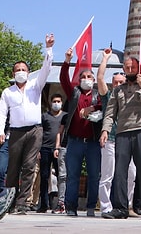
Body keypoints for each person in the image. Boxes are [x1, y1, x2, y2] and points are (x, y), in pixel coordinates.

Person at [0, 34, 54, 214]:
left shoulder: (35, 85)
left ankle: (22, 204)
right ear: (14, 74)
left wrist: (49, 48)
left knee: (29, 167)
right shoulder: (8, 91)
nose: (21, 71)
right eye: (17, 69)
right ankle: (10, 202)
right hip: (16, 132)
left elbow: (46, 68)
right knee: (13, 167)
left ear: (28, 72)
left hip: (35, 130)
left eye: (24, 69)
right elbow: (1, 112)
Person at [100, 55, 141, 220]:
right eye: (127, 68)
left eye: (133, 67)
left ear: (138, 68)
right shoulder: (118, 90)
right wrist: (105, 130)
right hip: (123, 133)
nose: (130, 70)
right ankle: (120, 208)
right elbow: (110, 112)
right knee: (120, 171)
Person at [59, 47, 103, 217]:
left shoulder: (98, 95)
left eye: (89, 77)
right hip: (75, 141)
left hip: (92, 142)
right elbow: (63, 79)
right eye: (83, 77)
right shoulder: (74, 93)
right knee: (73, 176)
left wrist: (94, 106)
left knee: (93, 176)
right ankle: (71, 207)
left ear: (93, 79)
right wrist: (67, 61)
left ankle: (91, 206)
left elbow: (106, 105)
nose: (86, 79)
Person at [95, 50, 135, 217]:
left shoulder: (130, 96)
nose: (118, 85)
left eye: (121, 82)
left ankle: (128, 206)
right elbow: (99, 78)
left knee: (131, 173)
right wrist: (105, 59)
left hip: (127, 138)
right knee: (107, 175)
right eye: (115, 82)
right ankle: (106, 206)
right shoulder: (109, 96)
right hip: (110, 139)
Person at [38, 93, 65, 212]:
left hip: (59, 149)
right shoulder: (45, 116)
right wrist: (38, 149)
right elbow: (39, 133)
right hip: (45, 148)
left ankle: (61, 203)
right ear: (51, 103)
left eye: (59, 101)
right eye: (54, 101)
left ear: (62, 103)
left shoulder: (65, 116)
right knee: (44, 177)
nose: (56, 103)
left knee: (61, 176)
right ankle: (43, 204)